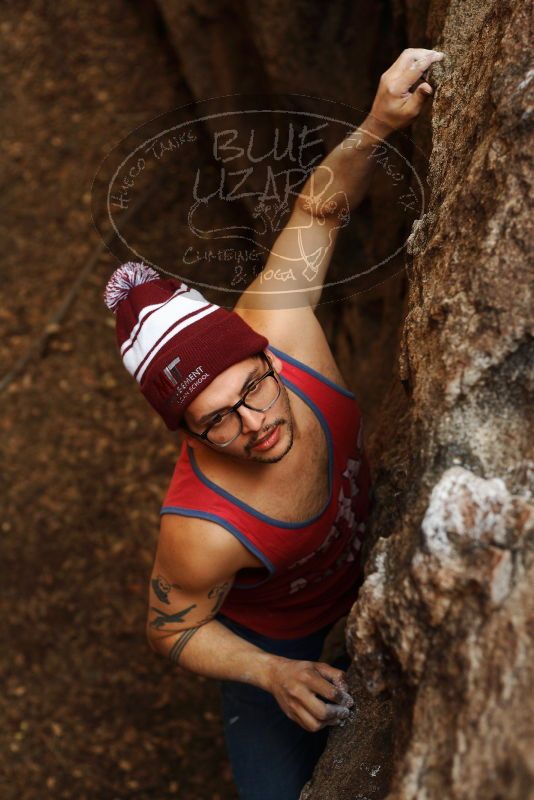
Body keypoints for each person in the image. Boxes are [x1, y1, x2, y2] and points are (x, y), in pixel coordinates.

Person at [103, 48, 444, 800]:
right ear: (186, 437)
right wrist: (270, 671)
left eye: (254, 389)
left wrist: (379, 120)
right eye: (216, 421)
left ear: (261, 350)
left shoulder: (281, 323)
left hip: (369, 552)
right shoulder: (201, 530)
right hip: (279, 633)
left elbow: (318, 210)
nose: (254, 424)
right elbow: (172, 627)